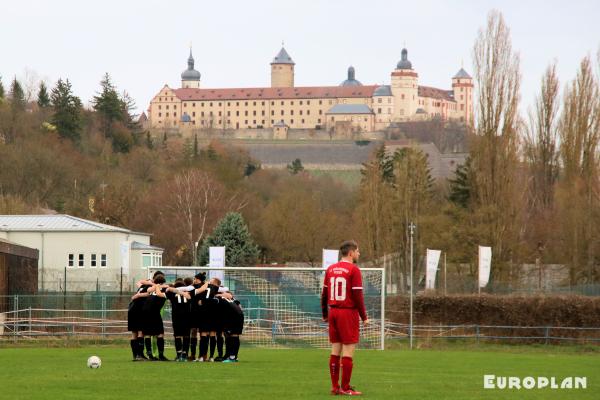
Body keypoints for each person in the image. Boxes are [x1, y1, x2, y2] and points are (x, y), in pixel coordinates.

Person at [321, 240, 368, 396]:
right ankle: (346, 388)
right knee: (348, 351)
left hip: (333, 311)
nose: (359, 253)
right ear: (351, 253)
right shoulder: (354, 270)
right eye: (357, 251)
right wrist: (364, 317)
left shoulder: (330, 269)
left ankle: (335, 387)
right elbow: (358, 296)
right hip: (347, 312)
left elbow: (324, 294)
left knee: (335, 350)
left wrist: (325, 314)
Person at [141, 274, 169, 361]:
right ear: (163, 282)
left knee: (148, 333)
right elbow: (161, 292)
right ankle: (160, 355)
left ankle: (150, 355)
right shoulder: (164, 288)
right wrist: (160, 286)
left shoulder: (152, 288)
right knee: (160, 333)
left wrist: (155, 285)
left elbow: (149, 289)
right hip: (154, 311)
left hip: (146, 311)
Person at [165, 279, 193, 361]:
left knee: (177, 336)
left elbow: (167, 289)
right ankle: (184, 355)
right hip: (187, 317)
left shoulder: (172, 293)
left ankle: (178, 355)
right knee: (186, 336)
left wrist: (173, 287)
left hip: (176, 317)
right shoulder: (189, 292)